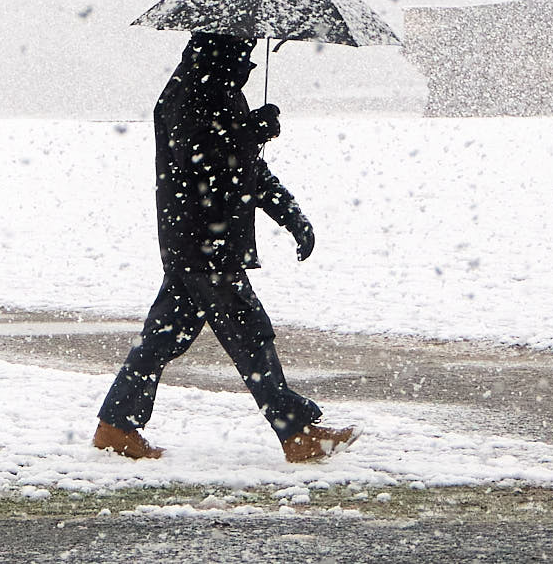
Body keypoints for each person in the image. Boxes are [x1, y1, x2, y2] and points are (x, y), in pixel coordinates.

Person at [92, 31, 356, 464]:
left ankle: (116, 426)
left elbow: (250, 170)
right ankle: (297, 432)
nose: (249, 59)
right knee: (250, 335)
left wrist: (292, 216)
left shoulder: (221, 91)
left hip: (203, 245)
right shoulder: (186, 94)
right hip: (201, 243)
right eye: (243, 51)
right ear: (223, 50)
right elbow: (196, 155)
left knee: (162, 339)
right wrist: (248, 131)